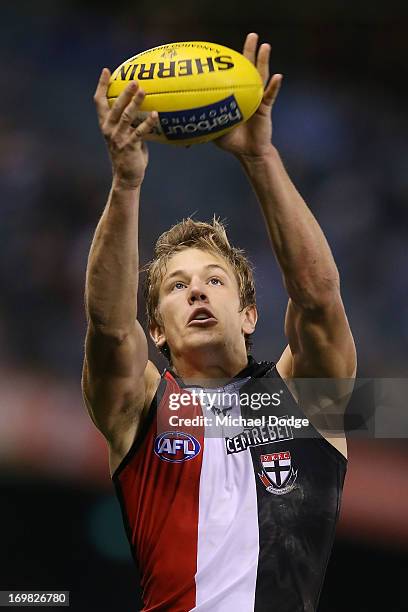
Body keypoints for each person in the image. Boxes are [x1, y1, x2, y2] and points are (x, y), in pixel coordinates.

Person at [82, 33, 356, 612]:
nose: (197, 290)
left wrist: (261, 158)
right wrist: (126, 183)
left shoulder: (304, 400)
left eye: (214, 280)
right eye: (177, 287)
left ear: (250, 312)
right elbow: (108, 327)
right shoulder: (140, 406)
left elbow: (319, 302)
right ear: (156, 330)